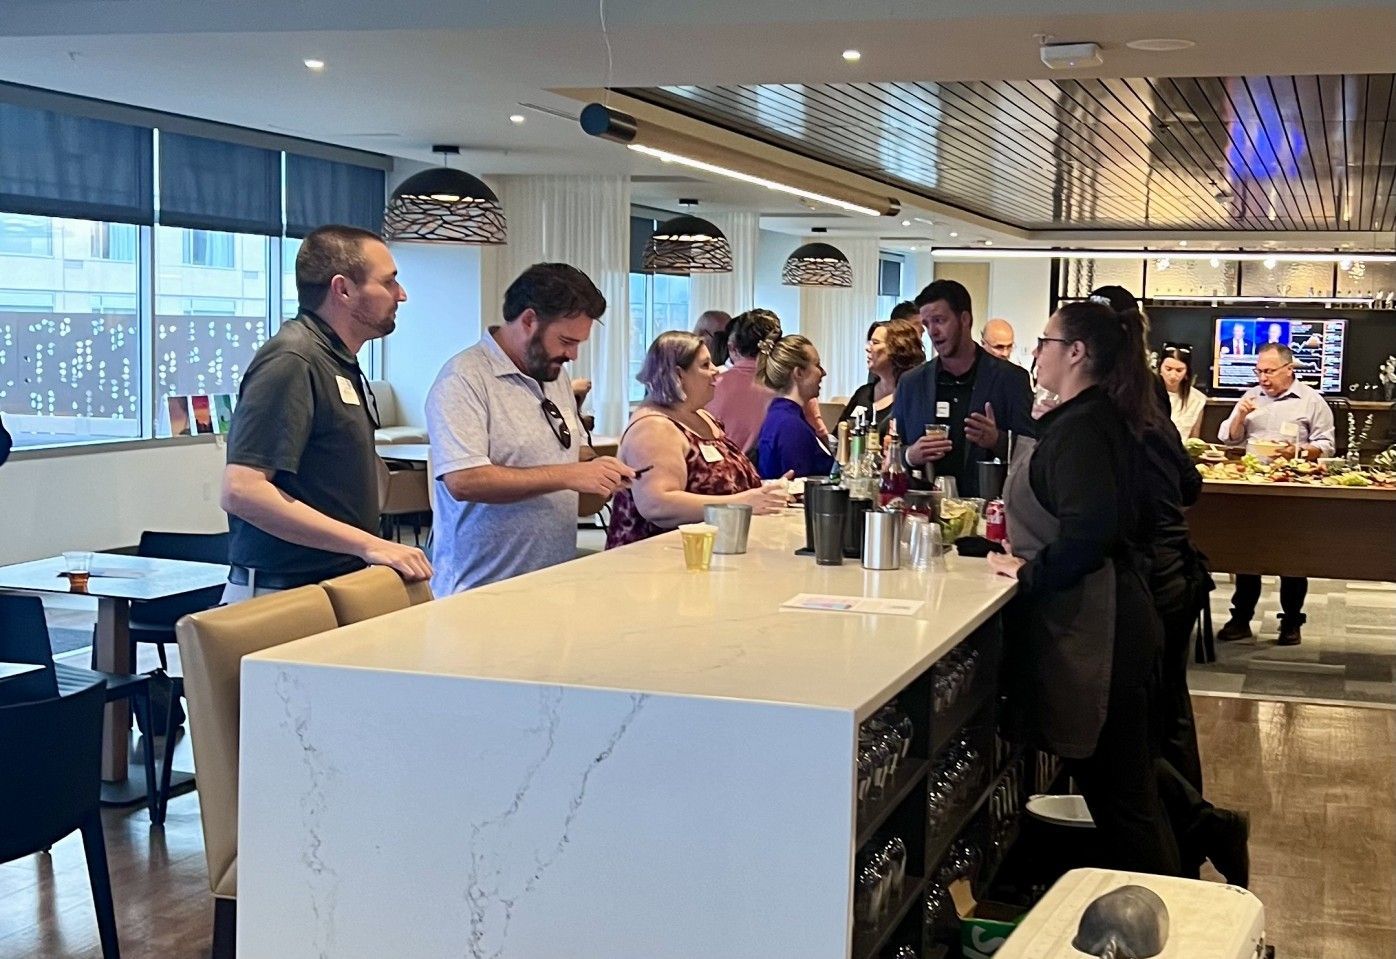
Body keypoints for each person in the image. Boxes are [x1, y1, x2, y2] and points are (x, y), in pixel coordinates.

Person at [987, 297, 1180, 877]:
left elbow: (1088, 532)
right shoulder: (1098, 416)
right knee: (1127, 793)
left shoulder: (1082, 428)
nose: (1033, 354)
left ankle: (1173, 918)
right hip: (1117, 618)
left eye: (1043, 343)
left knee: (1123, 803)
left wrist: (1029, 572)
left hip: (1103, 630)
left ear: (1076, 352)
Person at [220, 225, 431, 603]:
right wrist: (370, 544)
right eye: (389, 282)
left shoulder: (338, 359)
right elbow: (242, 491)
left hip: (334, 580)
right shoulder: (293, 360)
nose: (401, 295)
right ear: (343, 289)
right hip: (284, 592)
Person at [427, 263, 636, 595]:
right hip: (479, 591)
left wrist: (600, 467)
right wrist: (570, 475)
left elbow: (572, 450)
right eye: (566, 340)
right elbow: (464, 480)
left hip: (550, 581)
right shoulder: (463, 379)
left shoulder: (554, 375)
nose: (572, 354)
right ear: (528, 321)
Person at [1140, 408, 1250, 887]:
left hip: (1151, 582)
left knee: (1133, 726)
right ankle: (1192, 841)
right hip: (1175, 575)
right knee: (1169, 718)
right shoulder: (1147, 411)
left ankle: (1198, 833)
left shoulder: (1103, 416)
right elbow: (1191, 485)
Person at [606, 332, 788, 548]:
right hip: (657, 562)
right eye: (705, 365)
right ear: (678, 375)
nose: (716, 372)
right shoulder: (654, 427)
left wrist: (767, 492)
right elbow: (657, 505)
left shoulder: (701, 415)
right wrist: (743, 502)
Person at [1215, 342, 1336, 646]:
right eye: (1259, 371)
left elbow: (1326, 445)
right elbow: (1228, 438)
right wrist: (1240, 415)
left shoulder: (1311, 401)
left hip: (1291, 485)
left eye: (1269, 371)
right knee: (1248, 553)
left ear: (1290, 370)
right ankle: (1241, 618)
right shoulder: (1251, 396)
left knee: (1291, 557)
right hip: (1253, 482)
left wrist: (1297, 450)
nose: (1263, 378)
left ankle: (1291, 622)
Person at [893, 279, 1034, 496]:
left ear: (965, 319)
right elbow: (893, 450)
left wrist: (997, 440)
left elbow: (1033, 452)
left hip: (990, 512)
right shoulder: (911, 383)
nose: (933, 331)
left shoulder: (1010, 379)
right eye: (927, 324)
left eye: (939, 321)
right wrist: (910, 455)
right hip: (924, 511)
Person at [706, 308, 828, 453]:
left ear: (734, 347)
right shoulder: (793, 385)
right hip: (781, 473)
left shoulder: (711, 385)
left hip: (724, 470)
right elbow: (820, 436)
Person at [756, 334, 837, 479]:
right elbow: (798, 489)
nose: (823, 373)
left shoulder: (783, 416)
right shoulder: (790, 426)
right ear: (798, 373)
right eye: (817, 365)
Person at [837, 319, 925, 437]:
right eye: (869, 342)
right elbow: (837, 436)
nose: (868, 348)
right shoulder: (863, 393)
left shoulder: (913, 398)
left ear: (898, 348)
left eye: (875, 342)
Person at [1158, 345, 1207, 439]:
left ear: (1186, 373)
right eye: (1168, 369)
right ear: (1160, 368)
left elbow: (1193, 440)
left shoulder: (1197, 399)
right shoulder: (1147, 394)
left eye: (1179, 370)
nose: (1172, 375)